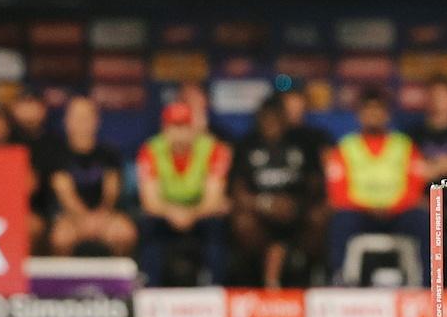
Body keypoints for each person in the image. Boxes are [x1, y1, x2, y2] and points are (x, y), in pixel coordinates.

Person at [325, 88, 429, 285]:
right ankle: (338, 280)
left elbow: (415, 188)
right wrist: (369, 208)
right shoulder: (345, 147)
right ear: (359, 115)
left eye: (378, 110)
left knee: (424, 219)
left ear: (387, 114)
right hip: (360, 214)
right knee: (340, 221)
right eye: (368, 110)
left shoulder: (405, 146)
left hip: (398, 213)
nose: (373, 115)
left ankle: (428, 283)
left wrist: (391, 208)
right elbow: (337, 194)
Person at [229, 97, 325, 287]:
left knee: (319, 217)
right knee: (242, 222)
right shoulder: (247, 145)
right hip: (259, 212)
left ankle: (316, 278)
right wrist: (265, 204)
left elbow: (316, 183)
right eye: (266, 118)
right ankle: (247, 281)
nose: (271, 123)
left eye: (276, 118)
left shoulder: (303, 144)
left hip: (297, 211)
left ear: (284, 119)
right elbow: (236, 190)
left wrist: (297, 204)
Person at [136, 102, 231, 286]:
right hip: (165, 214)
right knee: (149, 228)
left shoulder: (214, 149)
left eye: (184, 126)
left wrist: (191, 214)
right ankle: (151, 289)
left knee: (217, 228)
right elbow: (150, 202)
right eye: (174, 127)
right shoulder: (150, 150)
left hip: (200, 213)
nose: (179, 133)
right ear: (164, 128)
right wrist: (173, 213)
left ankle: (214, 287)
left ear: (193, 129)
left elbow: (213, 199)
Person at [45, 97, 137, 257]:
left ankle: (117, 280)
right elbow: (65, 193)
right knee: (61, 239)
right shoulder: (57, 154)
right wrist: (84, 220)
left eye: (86, 117)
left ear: (96, 120)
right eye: (76, 117)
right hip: (70, 216)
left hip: (105, 214)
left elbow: (111, 192)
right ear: (67, 121)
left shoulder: (109, 153)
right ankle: (64, 281)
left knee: (124, 234)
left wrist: (100, 217)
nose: (82, 122)